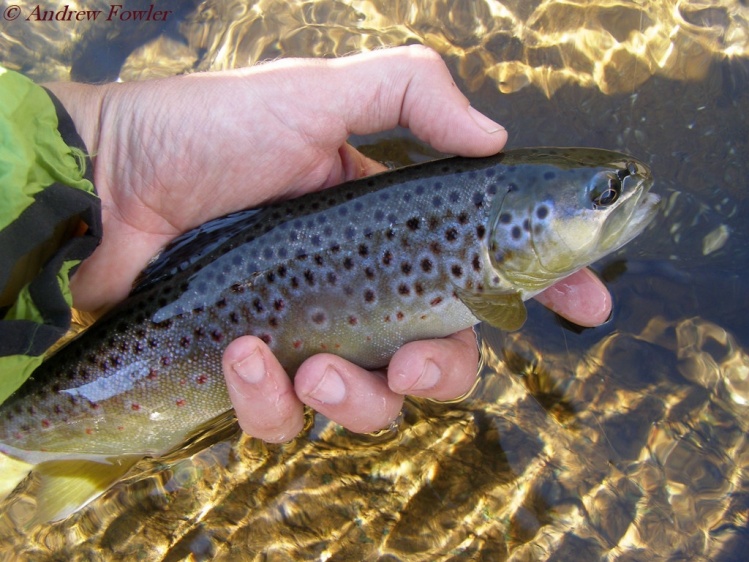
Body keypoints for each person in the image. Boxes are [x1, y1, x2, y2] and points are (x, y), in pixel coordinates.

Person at [0, 45, 612, 443]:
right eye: (603, 194)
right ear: (508, 226)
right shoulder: (484, 261)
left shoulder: (484, 251)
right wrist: (103, 152)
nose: (617, 196)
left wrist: (104, 149)